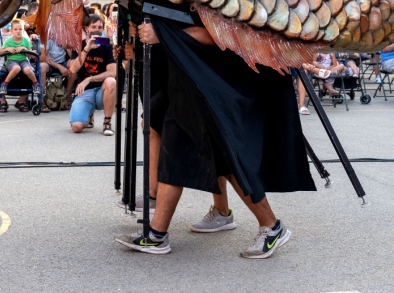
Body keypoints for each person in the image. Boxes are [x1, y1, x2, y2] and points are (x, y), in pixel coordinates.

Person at [114, 16, 313, 258]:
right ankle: (161, 231)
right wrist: (141, 43)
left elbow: (221, 33)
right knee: (194, 151)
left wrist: (162, 34)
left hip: (212, 81)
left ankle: (267, 226)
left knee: (213, 156)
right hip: (191, 80)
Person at [67, 13, 116, 134]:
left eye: (100, 27)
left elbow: (113, 72)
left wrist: (89, 79)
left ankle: (107, 122)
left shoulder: (108, 47)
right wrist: (87, 49)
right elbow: (73, 69)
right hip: (85, 92)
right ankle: (88, 114)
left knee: (111, 81)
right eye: (93, 27)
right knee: (77, 127)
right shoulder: (79, 45)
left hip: (102, 91)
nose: (97, 30)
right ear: (86, 28)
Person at [0, 19, 40, 113]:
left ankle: (35, 84)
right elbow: (0, 51)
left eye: (20, 29)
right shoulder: (8, 41)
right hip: (11, 61)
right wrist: (8, 49)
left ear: (23, 30)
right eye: (16, 29)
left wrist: (25, 49)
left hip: (23, 60)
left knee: (28, 70)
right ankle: (5, 83)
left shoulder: (25, 41)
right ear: (11, 31)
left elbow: (30, 55)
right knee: (16, 68)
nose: (18, 31)